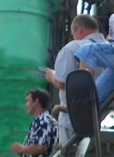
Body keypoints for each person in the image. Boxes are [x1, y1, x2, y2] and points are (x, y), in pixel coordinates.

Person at [45, 14, 105, 145]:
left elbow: (63, 83)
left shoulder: (71, 48)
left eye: (73, 33)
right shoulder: (111, 48)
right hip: (105, 119)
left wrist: (52, 76)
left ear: (79, 29)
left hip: (74, 121)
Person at [11, 88, 57, 157]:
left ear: (36, 101)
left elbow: (40, 147)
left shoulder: (44, 121)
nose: (25, 105)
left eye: (28, 101)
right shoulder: (38, 121)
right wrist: (24, 153)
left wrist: (22, 149)